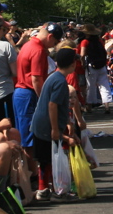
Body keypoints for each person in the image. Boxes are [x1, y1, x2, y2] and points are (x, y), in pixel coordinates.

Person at [30, 46, 78, 200]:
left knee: (46, 160)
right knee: (51, 159)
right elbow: (53, 104)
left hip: (41, 124)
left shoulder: (53, 77)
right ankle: (57, 190)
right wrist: (55, 129)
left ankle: (43, 189)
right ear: (72, 64)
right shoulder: (60, 82)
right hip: (46, 126)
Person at [13, 23, 63, 164]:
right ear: (50, 36)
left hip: (21, 92)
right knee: (30, 137)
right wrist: (44, 100)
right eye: (54, 42)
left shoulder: (27, 45)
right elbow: (36, 79)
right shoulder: (38, 50)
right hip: (28, 93)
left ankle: (30, 172)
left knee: (24, 135)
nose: (53, 45)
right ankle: (33, 172)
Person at [79, 24, 112, 114]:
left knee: (91, 86)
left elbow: (82, 54)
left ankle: (89, 105)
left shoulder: (85, 42)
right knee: (104, 85)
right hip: (101, 65)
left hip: (91, 65)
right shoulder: (99, 41)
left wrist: (82, 63)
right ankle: (107, 106)